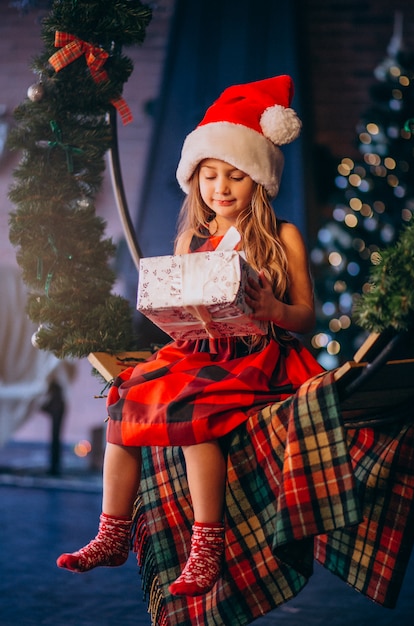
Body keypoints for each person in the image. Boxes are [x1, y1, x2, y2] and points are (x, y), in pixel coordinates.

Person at [57, 75, 323, 597]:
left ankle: (207, 546)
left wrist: (272, 308)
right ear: (195, 179)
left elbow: (307, 315)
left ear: (258, 180)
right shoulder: (194, 238)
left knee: (196, 413)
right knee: (123, 397)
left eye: (234, 176)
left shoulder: (283, 234)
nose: (220, 188)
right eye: (210, 175)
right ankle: (113, 530)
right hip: (199, 349)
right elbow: (184, 305)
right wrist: (172, 311)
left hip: (256, 353)